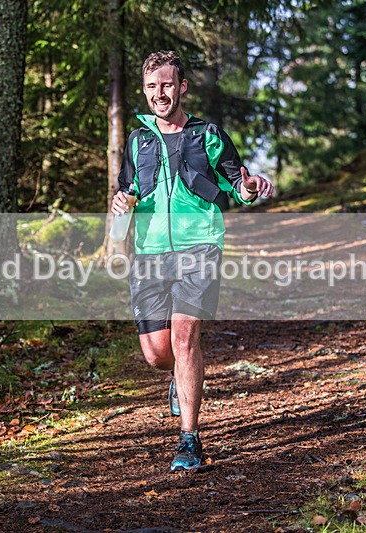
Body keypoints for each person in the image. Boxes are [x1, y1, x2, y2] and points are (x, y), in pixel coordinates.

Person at [110, 50, 274, 472]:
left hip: (199, 246)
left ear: (181, 87)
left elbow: (238, 183)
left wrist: (251, 187)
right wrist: (119, 206)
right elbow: (127, 190)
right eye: (151, 87)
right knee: (158, 354)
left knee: (185, 340)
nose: (159, 94)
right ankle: (177, 379)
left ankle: (189, 438)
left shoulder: (207, 135)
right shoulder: (138, 140)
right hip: (148, 252)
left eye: (166, 85)